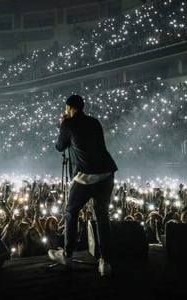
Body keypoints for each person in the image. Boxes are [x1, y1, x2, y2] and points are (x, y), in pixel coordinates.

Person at [48, 94, 118, 277]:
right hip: (107, 173)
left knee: (71, 211)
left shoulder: (68, 123)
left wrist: (62, 126)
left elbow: (60, 146)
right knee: (102, 216)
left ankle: (67, 254)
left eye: (66, 109)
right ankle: (105, 262)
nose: (65, 112)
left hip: (87, 176)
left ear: (71, 108)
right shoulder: (94, 122)